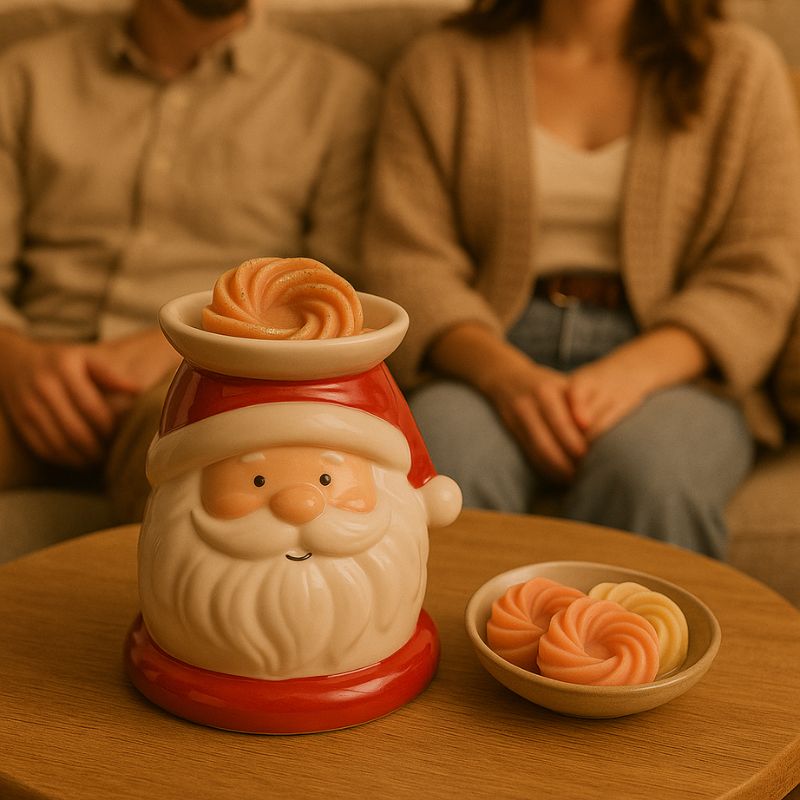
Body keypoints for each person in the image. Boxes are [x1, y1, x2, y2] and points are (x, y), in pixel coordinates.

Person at [361, 0, 800, 558]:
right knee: (446, 469)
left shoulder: (740, 68)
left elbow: (759, 269)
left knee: (650, 475)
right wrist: (507, 376)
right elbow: (407, 260)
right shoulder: (440, 67)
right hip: (484, 351)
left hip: (675, 364)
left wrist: (630, 373)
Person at [0, 0, 380, 524]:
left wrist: (185, 339)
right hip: (30, 369)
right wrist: (14, 357)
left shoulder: (338, 95)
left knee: (203, 454)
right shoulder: (24, 75)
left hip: (209, 370)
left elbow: (337, 292)